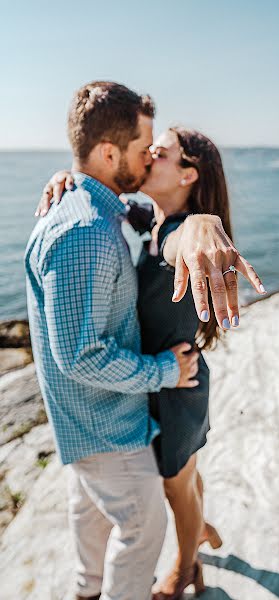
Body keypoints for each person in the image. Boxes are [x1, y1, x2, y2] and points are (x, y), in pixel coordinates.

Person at [26, 81, 265, 600]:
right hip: (154, 375)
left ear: (188, 174)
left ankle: (184, 567)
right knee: (181, 479)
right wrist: (69, 175)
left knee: (177, 484)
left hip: (175, 382)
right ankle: (196, 537)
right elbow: (112, 203)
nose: (150, 156)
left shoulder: (178, 231)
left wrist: (203, 224)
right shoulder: (143, 219)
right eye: (146, 149)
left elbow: (185, 236)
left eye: (161, 152)